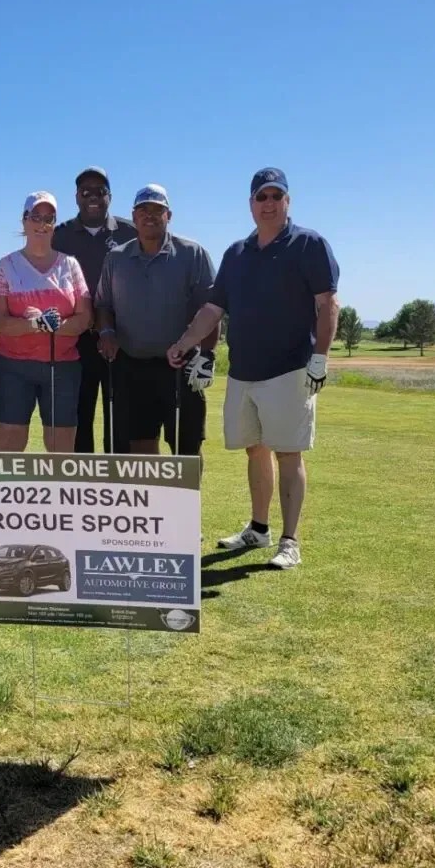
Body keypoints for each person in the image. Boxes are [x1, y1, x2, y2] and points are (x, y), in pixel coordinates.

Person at [168, 167, 339, 570]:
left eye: (276, 196)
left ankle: (289, 540)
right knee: (254, 449)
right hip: (244, 370)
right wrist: (185, 343)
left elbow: (327, 302)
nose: (268, 204)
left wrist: (321, 356)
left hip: (290, 369)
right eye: (261, 197)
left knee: (289, 454)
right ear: (250, 204)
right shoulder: (237, 253)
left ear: (287, 202)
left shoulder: (308, 244)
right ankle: (259, 528)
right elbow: (213, 309)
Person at [95, 184, 216, 456]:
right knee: (140, 446)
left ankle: (186, 500)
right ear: (134, 216)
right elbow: (103, 304)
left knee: (187, 447)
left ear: (168, 215)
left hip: (181, 366)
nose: (149, 215)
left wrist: (207, 355)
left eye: (157, 210)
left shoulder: (192, 253)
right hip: (132, 367)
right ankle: (153, 499)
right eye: (143, 210)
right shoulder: (116, 257)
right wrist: (106, 331)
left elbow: (212, 308)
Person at [0, 192, 93, 451]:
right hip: (13, 367)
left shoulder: (70, 265)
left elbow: (85, 318)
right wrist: (34, 324)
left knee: (61, 447)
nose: (42, 223)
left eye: (49, 218)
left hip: (63, 367)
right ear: (24, 221)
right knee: (10, 443)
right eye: (36, 216)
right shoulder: (6, 265)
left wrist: (51, 325)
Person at [51, 167, 136, 452]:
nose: (93, 197)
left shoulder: (130, 231)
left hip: (122, 338)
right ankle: (83, 488)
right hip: (76, 338)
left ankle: (119, 485)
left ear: (110, 196)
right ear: (76, 197)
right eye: (86, 191)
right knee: (79, 417)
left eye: (100, 191)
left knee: (121, 419)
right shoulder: (58, 236)